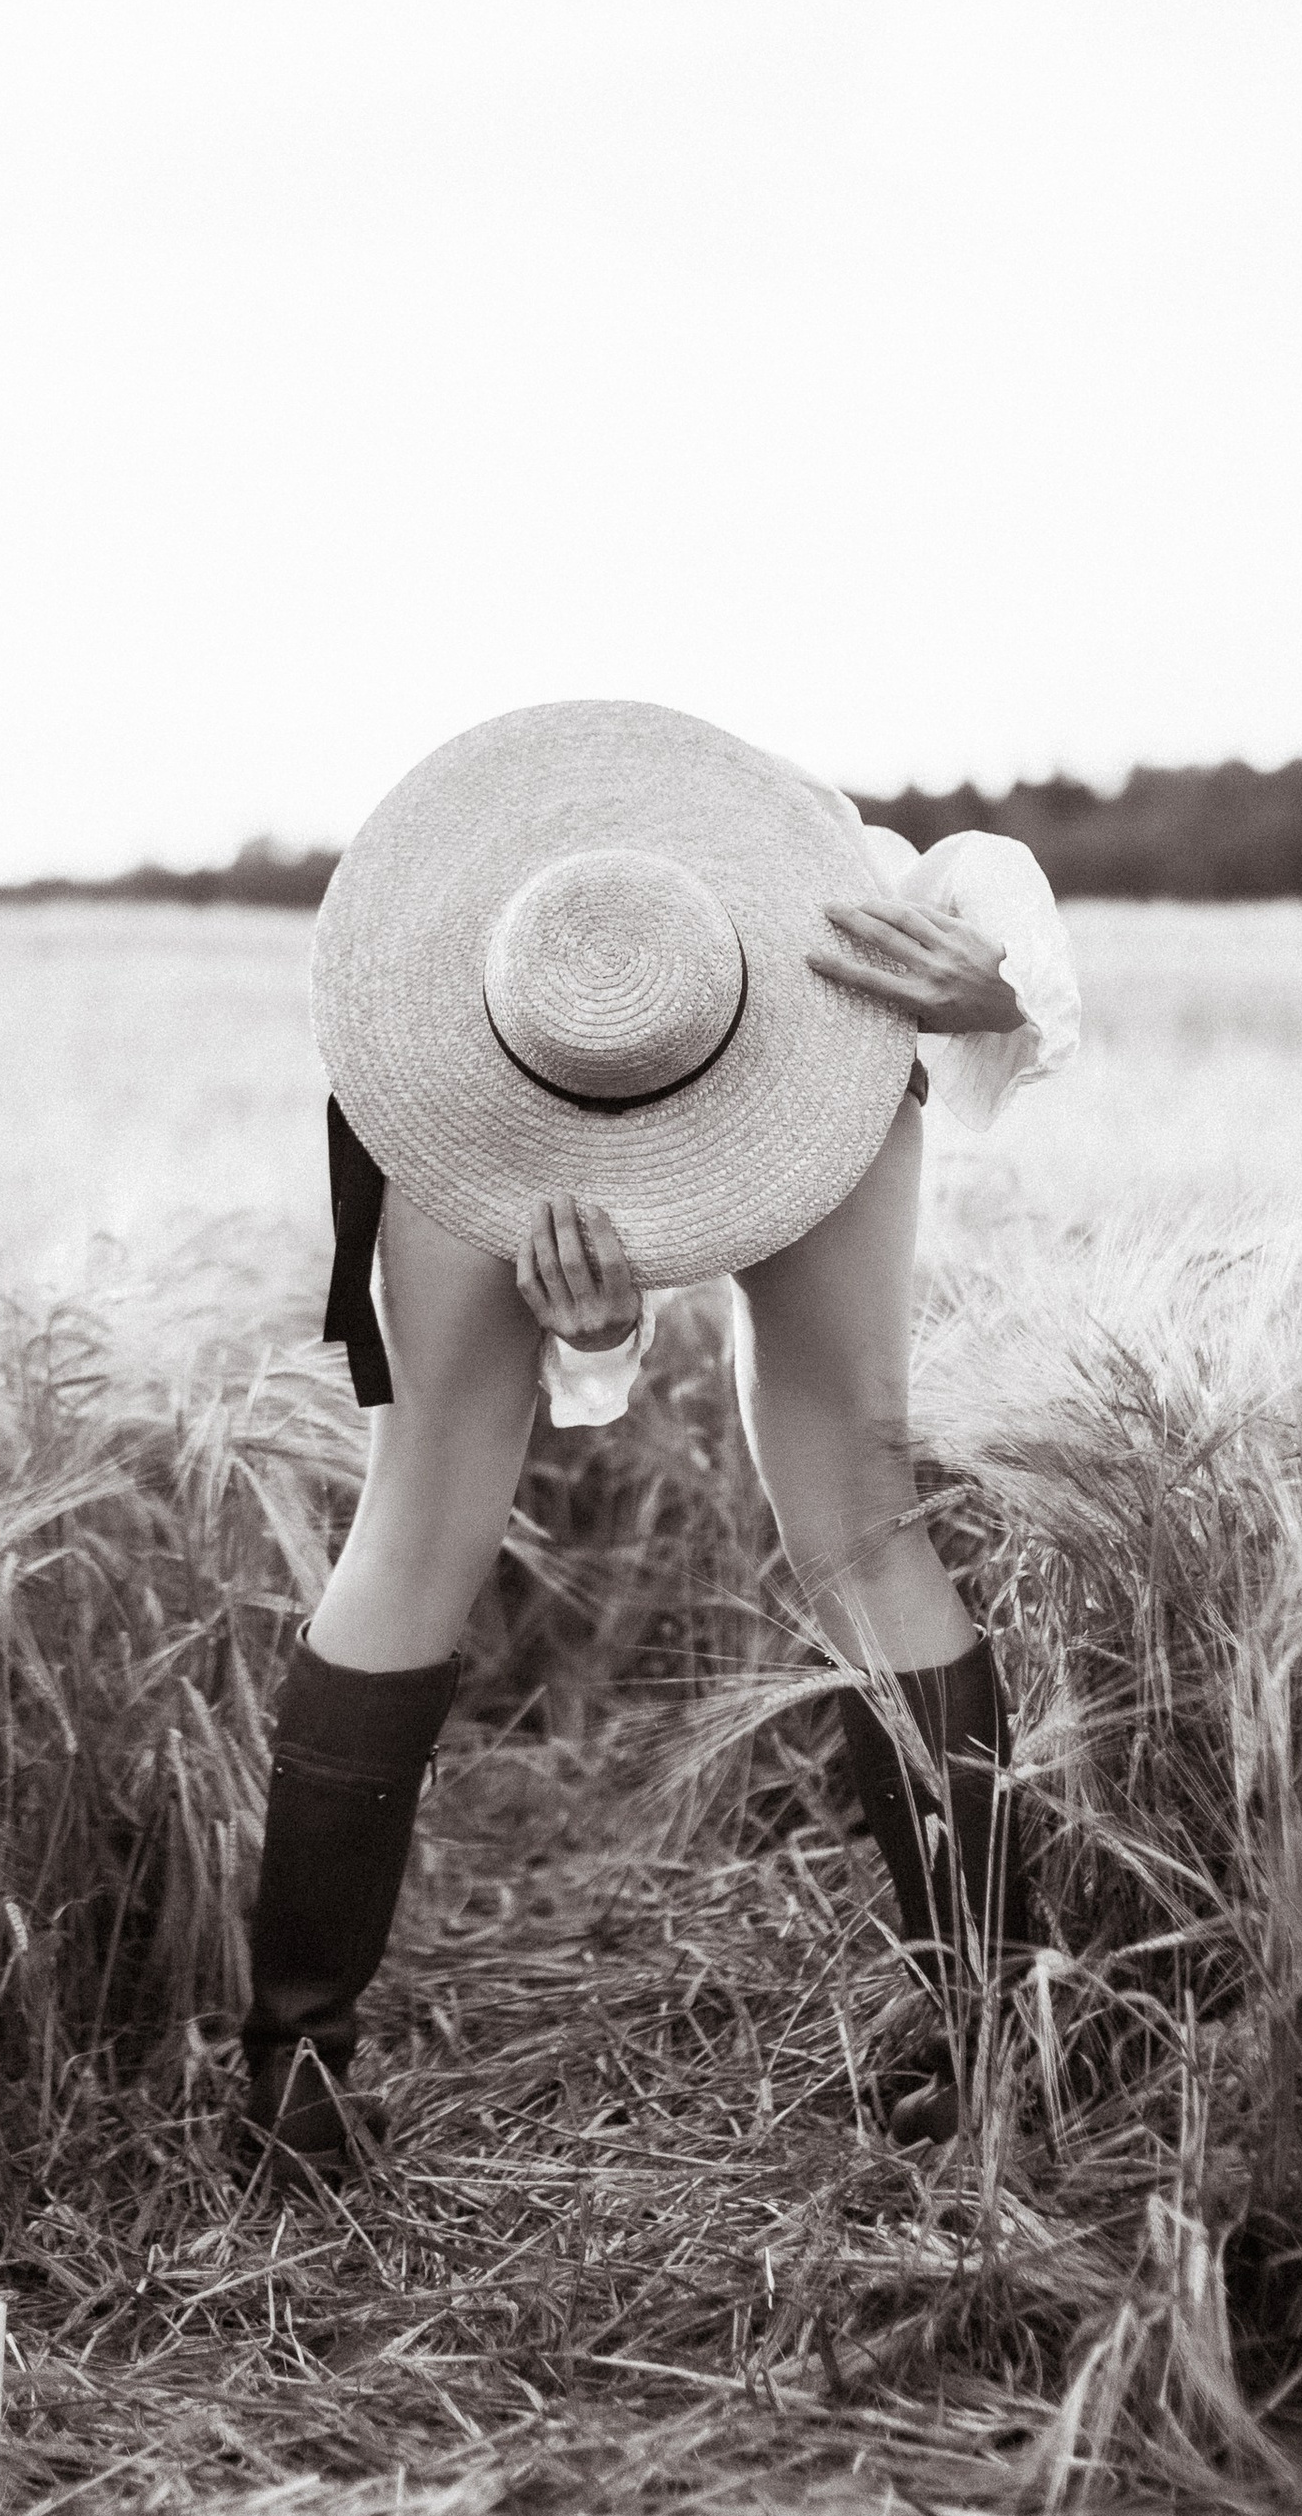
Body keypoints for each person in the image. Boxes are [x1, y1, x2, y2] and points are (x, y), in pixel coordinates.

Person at [236, 697, 1080, 2182]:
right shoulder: (780, 909)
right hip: (562, 1059)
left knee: (426, 1524)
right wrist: (603, 1334)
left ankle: (288, 2085)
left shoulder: (864, 909)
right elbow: (997, 938)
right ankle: (1001, 2052)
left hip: (787, 1017)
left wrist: (1000, 996)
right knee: (857, 1520)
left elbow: (987, 925)